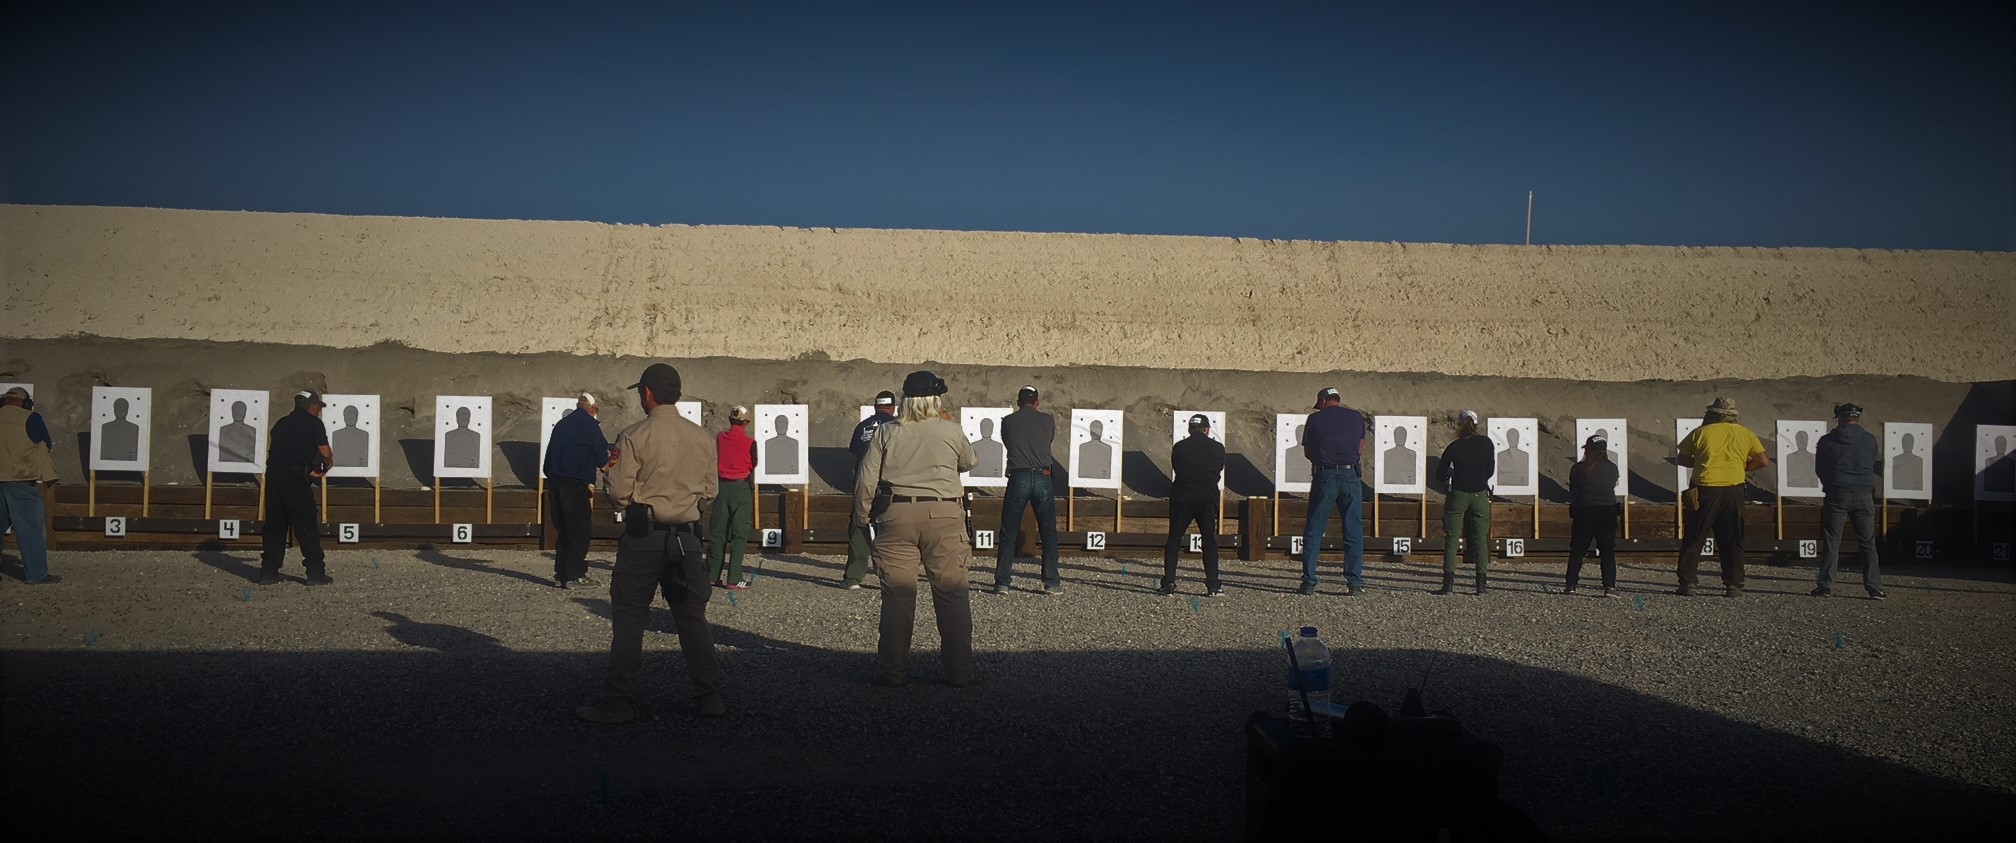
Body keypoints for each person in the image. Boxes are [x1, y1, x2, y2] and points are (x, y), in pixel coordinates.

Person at [578, 363, 725, 722]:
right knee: (692, 619)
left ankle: (616, 702)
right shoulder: (703, 438)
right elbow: (711, 490)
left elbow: (619, 492)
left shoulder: (633, 435)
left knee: (629, 619)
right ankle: (711, 698)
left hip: (644, 537)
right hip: (686, 539)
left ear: (647, 393)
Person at [852, 370, 978, 688]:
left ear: (905, 400)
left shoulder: (885, 432)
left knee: (897, 598)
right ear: (935, 399)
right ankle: (959, 673)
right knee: (952, 595)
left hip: (895, 515)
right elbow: (969, 461)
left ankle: (892, 672)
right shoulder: (950, 429)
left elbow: (867, 478)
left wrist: (862, 517)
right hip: (945, 515)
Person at [1674, 397, 1769, 597]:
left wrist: (1702, 462)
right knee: (1732, 537)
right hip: (1734, 490)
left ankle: (1688, 582)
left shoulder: (1700, 433)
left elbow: (1681, 459)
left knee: (1695, 536)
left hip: (1704, 489)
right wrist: (1742, 468)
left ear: (1713, 414)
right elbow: (1762, 460)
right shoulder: (1745, 433)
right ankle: (1733, 584)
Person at [259, 391, 334, 586]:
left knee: (275, 524)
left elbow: (282, 453)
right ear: (311, 406)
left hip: (275, 476)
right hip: (297, 478)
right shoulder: (313, 423)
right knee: (306, 525)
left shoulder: (280, 423)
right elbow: (324, 451)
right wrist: (327, 463)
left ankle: (268, 571)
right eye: (318, 407)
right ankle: (315, 573)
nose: (319, 411)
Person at [993, 385, 1061, 595]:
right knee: (1048, 531)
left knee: (1009, 530)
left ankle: (1002, 581)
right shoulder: (1048, 420)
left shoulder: (1008, 421)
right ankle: (1051, 582)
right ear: (1037, 402)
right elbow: (1048, 440)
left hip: (1019, 475)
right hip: (1043, 476)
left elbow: (1008, 442)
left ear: (1018, 401)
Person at [1299, 387, 1367, 596]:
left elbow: (1307, 451)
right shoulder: (1356, 417)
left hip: (1325, 476)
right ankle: (1354, 583)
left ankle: (1309, 581)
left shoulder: (1314, 419)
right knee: (1353, 531)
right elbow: (1360, 448)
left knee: (1314, 529)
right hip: (1351, 476)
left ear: (1323, 400)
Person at [1813, 403, 1884, 599]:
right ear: (1857, 418)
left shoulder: (1827, 441)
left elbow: (1820, 469)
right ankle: (1874, 587)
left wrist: (1832, 482)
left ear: (1839, 418)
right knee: (1868, 543)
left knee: (1832, 541)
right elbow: (1870, 464)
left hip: (1837, 493)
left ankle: (1826, 585)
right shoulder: (1870, 440)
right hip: (1864, 494)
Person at [543, 392, 610, 589]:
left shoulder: (562, 425)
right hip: (575, 485)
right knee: (579, 530)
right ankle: (574, 575)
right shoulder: (590, 426)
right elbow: (604, 464)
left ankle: (562, 574)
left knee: (563, 530)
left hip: (555, 482)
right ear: (592, 408)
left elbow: (548, 459)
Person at [1160, 414, 1226, 597]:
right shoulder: (1218, 448)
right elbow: (1218, 469)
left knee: (1174, 540)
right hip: (1207, 497)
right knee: (1209, 542)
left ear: (1190, 430)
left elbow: (1177, 469)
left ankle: (1169, 582)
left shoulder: (1179, 447)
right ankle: (1213, 585)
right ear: (1207, 430)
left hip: (1183, 497)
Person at [0, 387, 59, 585]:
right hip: (21, 480)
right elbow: (46, 444)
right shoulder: (31, 418)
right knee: (31, 530)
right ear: (25, 402)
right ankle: (36, 574)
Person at [842, 390, 899, 589]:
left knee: (859, 527)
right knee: (890, 531)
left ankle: (852, 578)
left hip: (863, 483)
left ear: (875, 406)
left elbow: (855, 453)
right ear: (893, 407)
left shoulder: (862, 426)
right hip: (888, 484)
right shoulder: (896, 426)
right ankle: (891, 578)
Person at [1435, 410, 1494, 596]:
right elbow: (1490, 470)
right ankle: (1481, 586)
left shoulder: (1454, 446)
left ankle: (1448, 586)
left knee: (1452, 539)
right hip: (1480, 494)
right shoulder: (1486, 443)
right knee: (1480, 541)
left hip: (1458, 493)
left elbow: (1439, 473)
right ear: (1476, 424)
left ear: (1459, 425)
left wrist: (1453, 475)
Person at [1565, 434, 1621, 597]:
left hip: (1584, 512)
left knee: (1577, 550)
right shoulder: (1612, 468)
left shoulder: (1577, 468)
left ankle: (1570, 585)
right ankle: (1609, 587)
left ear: (1588, 450)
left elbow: (1573, 492)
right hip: (1607, 512)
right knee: (1607, 551)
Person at [708, 405, 757, 590]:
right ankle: (734, 577)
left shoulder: (720, 437)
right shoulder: (750, 442)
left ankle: (711, 575)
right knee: (739, 534)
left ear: (730, 420)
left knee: (718, 532)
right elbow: (754, 463)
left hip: (721, 487)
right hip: (740, 487)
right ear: (746, 423)